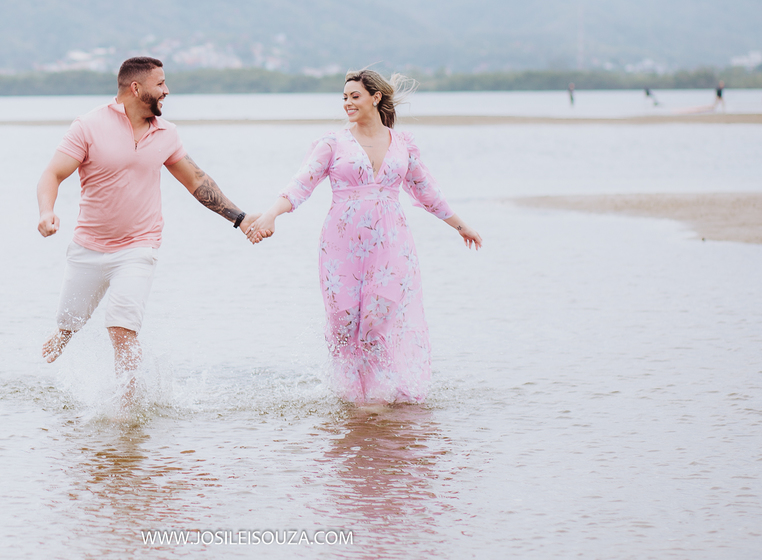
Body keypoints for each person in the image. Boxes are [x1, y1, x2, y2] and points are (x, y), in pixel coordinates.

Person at [245, 70, 482, 404]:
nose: (347, 103)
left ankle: (379, 399)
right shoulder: (332, 144)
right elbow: (301, 184)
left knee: (376, 321)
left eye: (354, 96)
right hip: (341, 245)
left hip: (391, 244)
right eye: (344, 97)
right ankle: (353, 398)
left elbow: (427, 192)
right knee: (344, 323)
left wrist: (461, 226)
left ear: (376, 97)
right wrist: (270, 215)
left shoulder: (402, 145)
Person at [36, 56, 257, 393]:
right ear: (136, 88)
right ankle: (65, 333)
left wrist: (240, 219)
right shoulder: (88, 126)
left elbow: (197, 182)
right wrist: (46, 212)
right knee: (70, 319)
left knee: (122, 328)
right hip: (88, 246)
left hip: (139, 247)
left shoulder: (167, 134)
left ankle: (127, 408)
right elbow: (52, 174)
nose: (167, 91)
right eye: (161, 84)